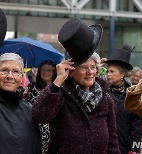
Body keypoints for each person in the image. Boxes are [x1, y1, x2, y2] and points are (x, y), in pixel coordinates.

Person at [32, 18, 121, 153]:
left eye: (93, 67)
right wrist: (57, 81)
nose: (90, 72)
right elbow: (39, 115)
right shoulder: (60, 95)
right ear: (71, 72)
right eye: (84, 68)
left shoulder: (105, 99)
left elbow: (113, 142)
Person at [0, 53, 41, 153]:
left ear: (22, 77)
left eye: (15, 71)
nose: (9, 76)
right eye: (4, 70)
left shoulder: (29, 109)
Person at [106, 45, 142, 154]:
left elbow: (136, 125)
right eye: (107, 71)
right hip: (106, 147)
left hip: (124, 147)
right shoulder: (103, 93)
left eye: (112, 72)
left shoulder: (131, 94)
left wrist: (134, 150)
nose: (108, 74)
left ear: (122, 74)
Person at [25, 60, 57, 154]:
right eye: (43, 70)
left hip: (53, 130)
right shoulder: (31, 88)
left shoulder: (59, 89)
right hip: (35, 129)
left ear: (54, 72)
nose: (46, 72)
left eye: (49, 70)